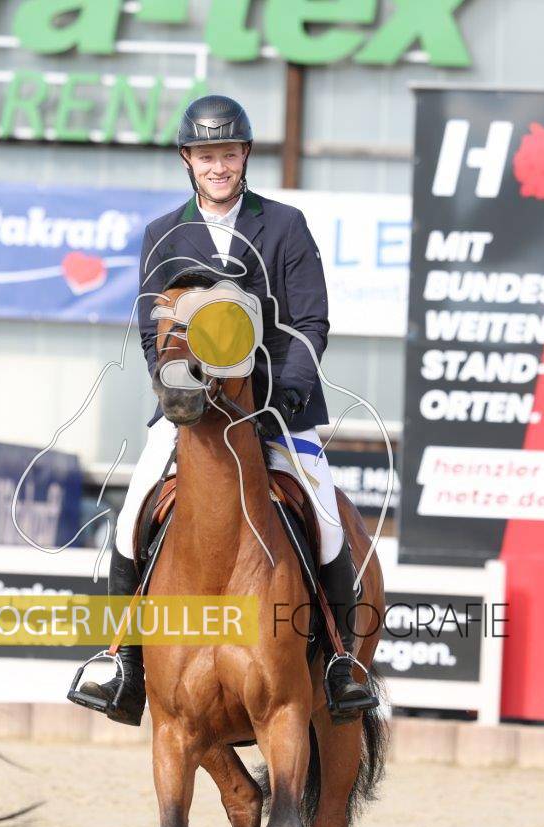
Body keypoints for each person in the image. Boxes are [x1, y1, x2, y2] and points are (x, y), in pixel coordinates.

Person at [70, 95, 377, 726]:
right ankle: (122, 662)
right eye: (207, 155)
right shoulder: (164, 234)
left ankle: (342, 662)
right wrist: (173, 388)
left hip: (279, 410)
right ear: (188, 159)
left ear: (245, 156)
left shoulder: (284, 226)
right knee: (131, 516)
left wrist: (286, 393)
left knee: (325, 516)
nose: (219, 166)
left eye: (229, 154)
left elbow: (310, 322)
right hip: (190, 415)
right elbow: (154, 327)